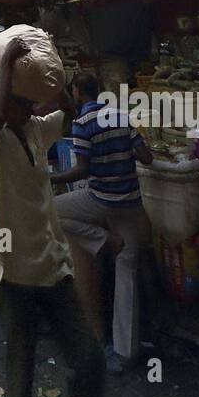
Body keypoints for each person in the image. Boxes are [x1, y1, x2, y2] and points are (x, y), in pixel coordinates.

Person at [0, 34, 110, 397]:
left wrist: (60, 83)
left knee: (90, 360)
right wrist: (8, 64)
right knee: (22, 376)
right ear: (4, 98)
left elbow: (70, 115)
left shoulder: (35, 129)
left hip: (54, 268)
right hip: (14, 274)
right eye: (23, 102)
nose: (31, 109)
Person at [52, 72, 154, 374]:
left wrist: (51, 178)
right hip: (131, 202)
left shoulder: (82, 125)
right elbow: (145, 157)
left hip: (101, 199)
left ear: (78, 92)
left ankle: (100, 238)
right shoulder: (121, 116)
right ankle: (126, 351)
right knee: (128, 270)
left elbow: (81, 171)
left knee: (49, 212)